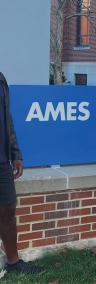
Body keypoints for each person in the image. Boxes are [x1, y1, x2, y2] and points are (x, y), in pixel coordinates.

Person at [0, 72, 43, 274]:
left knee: (8, 210)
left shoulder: (1, 79)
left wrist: (15, 152)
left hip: (2, 161)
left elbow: (7, 119)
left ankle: (13, 263)